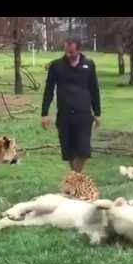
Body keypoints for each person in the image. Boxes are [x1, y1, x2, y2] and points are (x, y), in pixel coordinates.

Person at [41, 37, 101, 173]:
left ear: (79, 50)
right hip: (64, 115)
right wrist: (44, 113)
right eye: (66, 52)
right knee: (69, 152)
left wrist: (97, 113)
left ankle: (75, 177)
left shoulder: (89, 65)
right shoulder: (56, 66)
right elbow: (48, 90)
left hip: (84, 115)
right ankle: (75, 179)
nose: (68, 55)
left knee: (83, 151)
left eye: (71, 52)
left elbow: (94, 90)